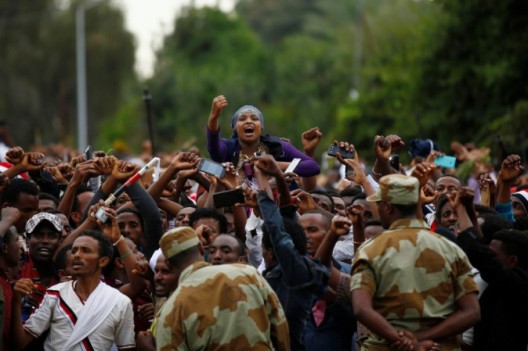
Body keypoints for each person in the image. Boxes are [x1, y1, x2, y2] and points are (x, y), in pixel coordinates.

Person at [350, 174, 480, 350]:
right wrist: (421, 338)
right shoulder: (450, 248)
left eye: (379, 204)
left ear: (387, 207)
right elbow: (471, 312)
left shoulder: (370, 250)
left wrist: (402, 341)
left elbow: (361, 308)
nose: (377, 209)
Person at [155, 226, 290, 351]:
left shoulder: (171, 308)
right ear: (202, 248)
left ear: (168, 262)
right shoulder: (249, 274)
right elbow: (280, 330)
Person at [12, 230, 136, 350]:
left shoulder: (120, 302)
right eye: (74, 250)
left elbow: (126, 347)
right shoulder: (55, 294)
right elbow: (20, 343)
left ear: (103, 261)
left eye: (86, 250)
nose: (76, 255)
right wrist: (16, 301)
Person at [206, 95, 320, 180]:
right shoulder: (228, 148)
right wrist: (213, 118)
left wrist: (277, 166)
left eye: (255, 119)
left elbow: (313, 166)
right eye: (242, 119)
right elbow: (214, 149)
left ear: (261, 127)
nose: (249, 121)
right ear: (236, 128)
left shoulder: (278, 147)